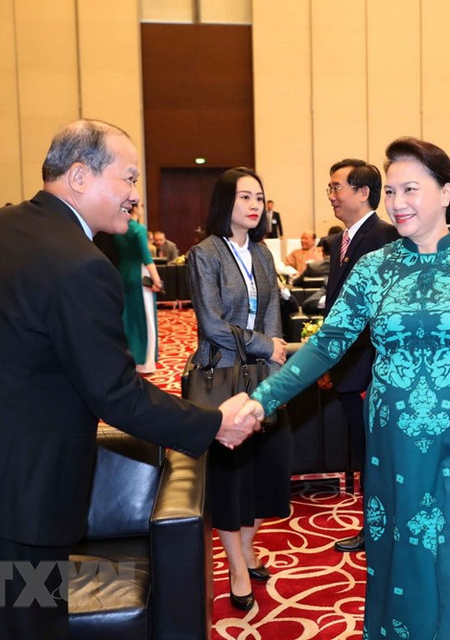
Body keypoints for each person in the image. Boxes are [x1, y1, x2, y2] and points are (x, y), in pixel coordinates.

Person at [0, 119, 259, 639]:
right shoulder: (79, 265)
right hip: (14, 510)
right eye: (128, 178)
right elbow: (116, 393)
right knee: (23, 629)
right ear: (78, 176)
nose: (135, 195)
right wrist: (214, 424)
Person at [238, 137, 450, 638]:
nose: (397, 203)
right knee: (403, 573)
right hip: (395, 453)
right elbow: (326, 345)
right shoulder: (374, 269)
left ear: (445, 193)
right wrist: (261, 399)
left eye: (410, 189)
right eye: (391, 191)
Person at [186, 167, 292, 613]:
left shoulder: (262, 253)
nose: (254, 205)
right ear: (224, 202)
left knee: (266, 469)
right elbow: (211, 325)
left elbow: (271, 317)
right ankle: (235, 566)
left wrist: (274, 365)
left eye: (260, 198)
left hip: (260, 377)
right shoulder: (204, 253)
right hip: (222, 376)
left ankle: (248, 548)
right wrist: (266, 345)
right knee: (230, 478)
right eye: (245, 197)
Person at [320, 158, 399, 553]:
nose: (331, 195)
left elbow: (382, 314)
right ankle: (374, 525)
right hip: (348, 368)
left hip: (370, 371)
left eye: (337, 187)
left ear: (363, 192)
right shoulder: (340, 241)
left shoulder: (385, 237)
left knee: (379, 455)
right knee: (364, 452)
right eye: (330, 188)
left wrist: (366, 371)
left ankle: (380, 528)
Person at [113, 203, 162, 373]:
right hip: (139, 276)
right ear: (135, 209)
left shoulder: (118, 228)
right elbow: (147, 258)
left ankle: (128, 357)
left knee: (128, 317)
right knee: (144, 318)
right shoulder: (138, 229)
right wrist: (157, 280)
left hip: (123, 273)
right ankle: (144, 361)